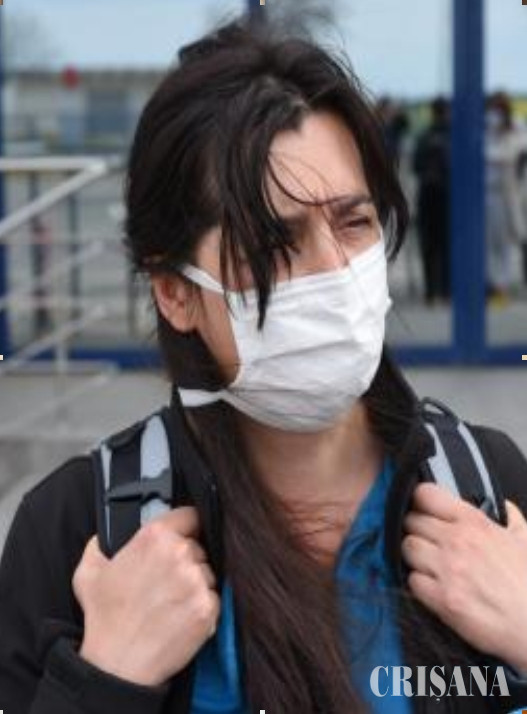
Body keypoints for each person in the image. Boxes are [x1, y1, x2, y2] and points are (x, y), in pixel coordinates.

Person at [1, 17, 527, 714]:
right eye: (273, 244)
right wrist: (103, 682)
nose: (334, 270)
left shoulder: (488, 493)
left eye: (354, 222)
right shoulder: (80, 535)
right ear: (175, 292)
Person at [484, 91, 527, 307]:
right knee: (489, 243)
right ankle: (494, 285)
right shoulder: (486, 129)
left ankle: (501, 286)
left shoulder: (515, 128)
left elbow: (510, 154)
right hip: (487, 193)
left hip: (506, 194)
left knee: (505, 243)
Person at [413, 97, 451, 307]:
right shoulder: (452, 135)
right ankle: (445, 291)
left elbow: (416, 166)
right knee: (446, 245)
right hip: (446, 197)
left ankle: (431, 292)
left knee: (429, 247)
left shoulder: (424, 136)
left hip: (427, 196)